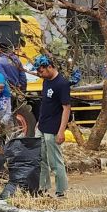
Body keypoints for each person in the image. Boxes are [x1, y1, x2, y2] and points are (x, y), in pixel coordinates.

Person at [33, 55, 71, 196]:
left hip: (53, 128)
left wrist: (61, 131)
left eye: (42, 71)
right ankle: (42, 188)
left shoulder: (62, 84)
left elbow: (66, 108)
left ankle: (61, 190)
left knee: (55, 161)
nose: (40, 74)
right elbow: (45, 103)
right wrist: (39, 121)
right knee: (40, 158)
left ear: (50, 67)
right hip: (42, 125)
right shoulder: (46, 81)